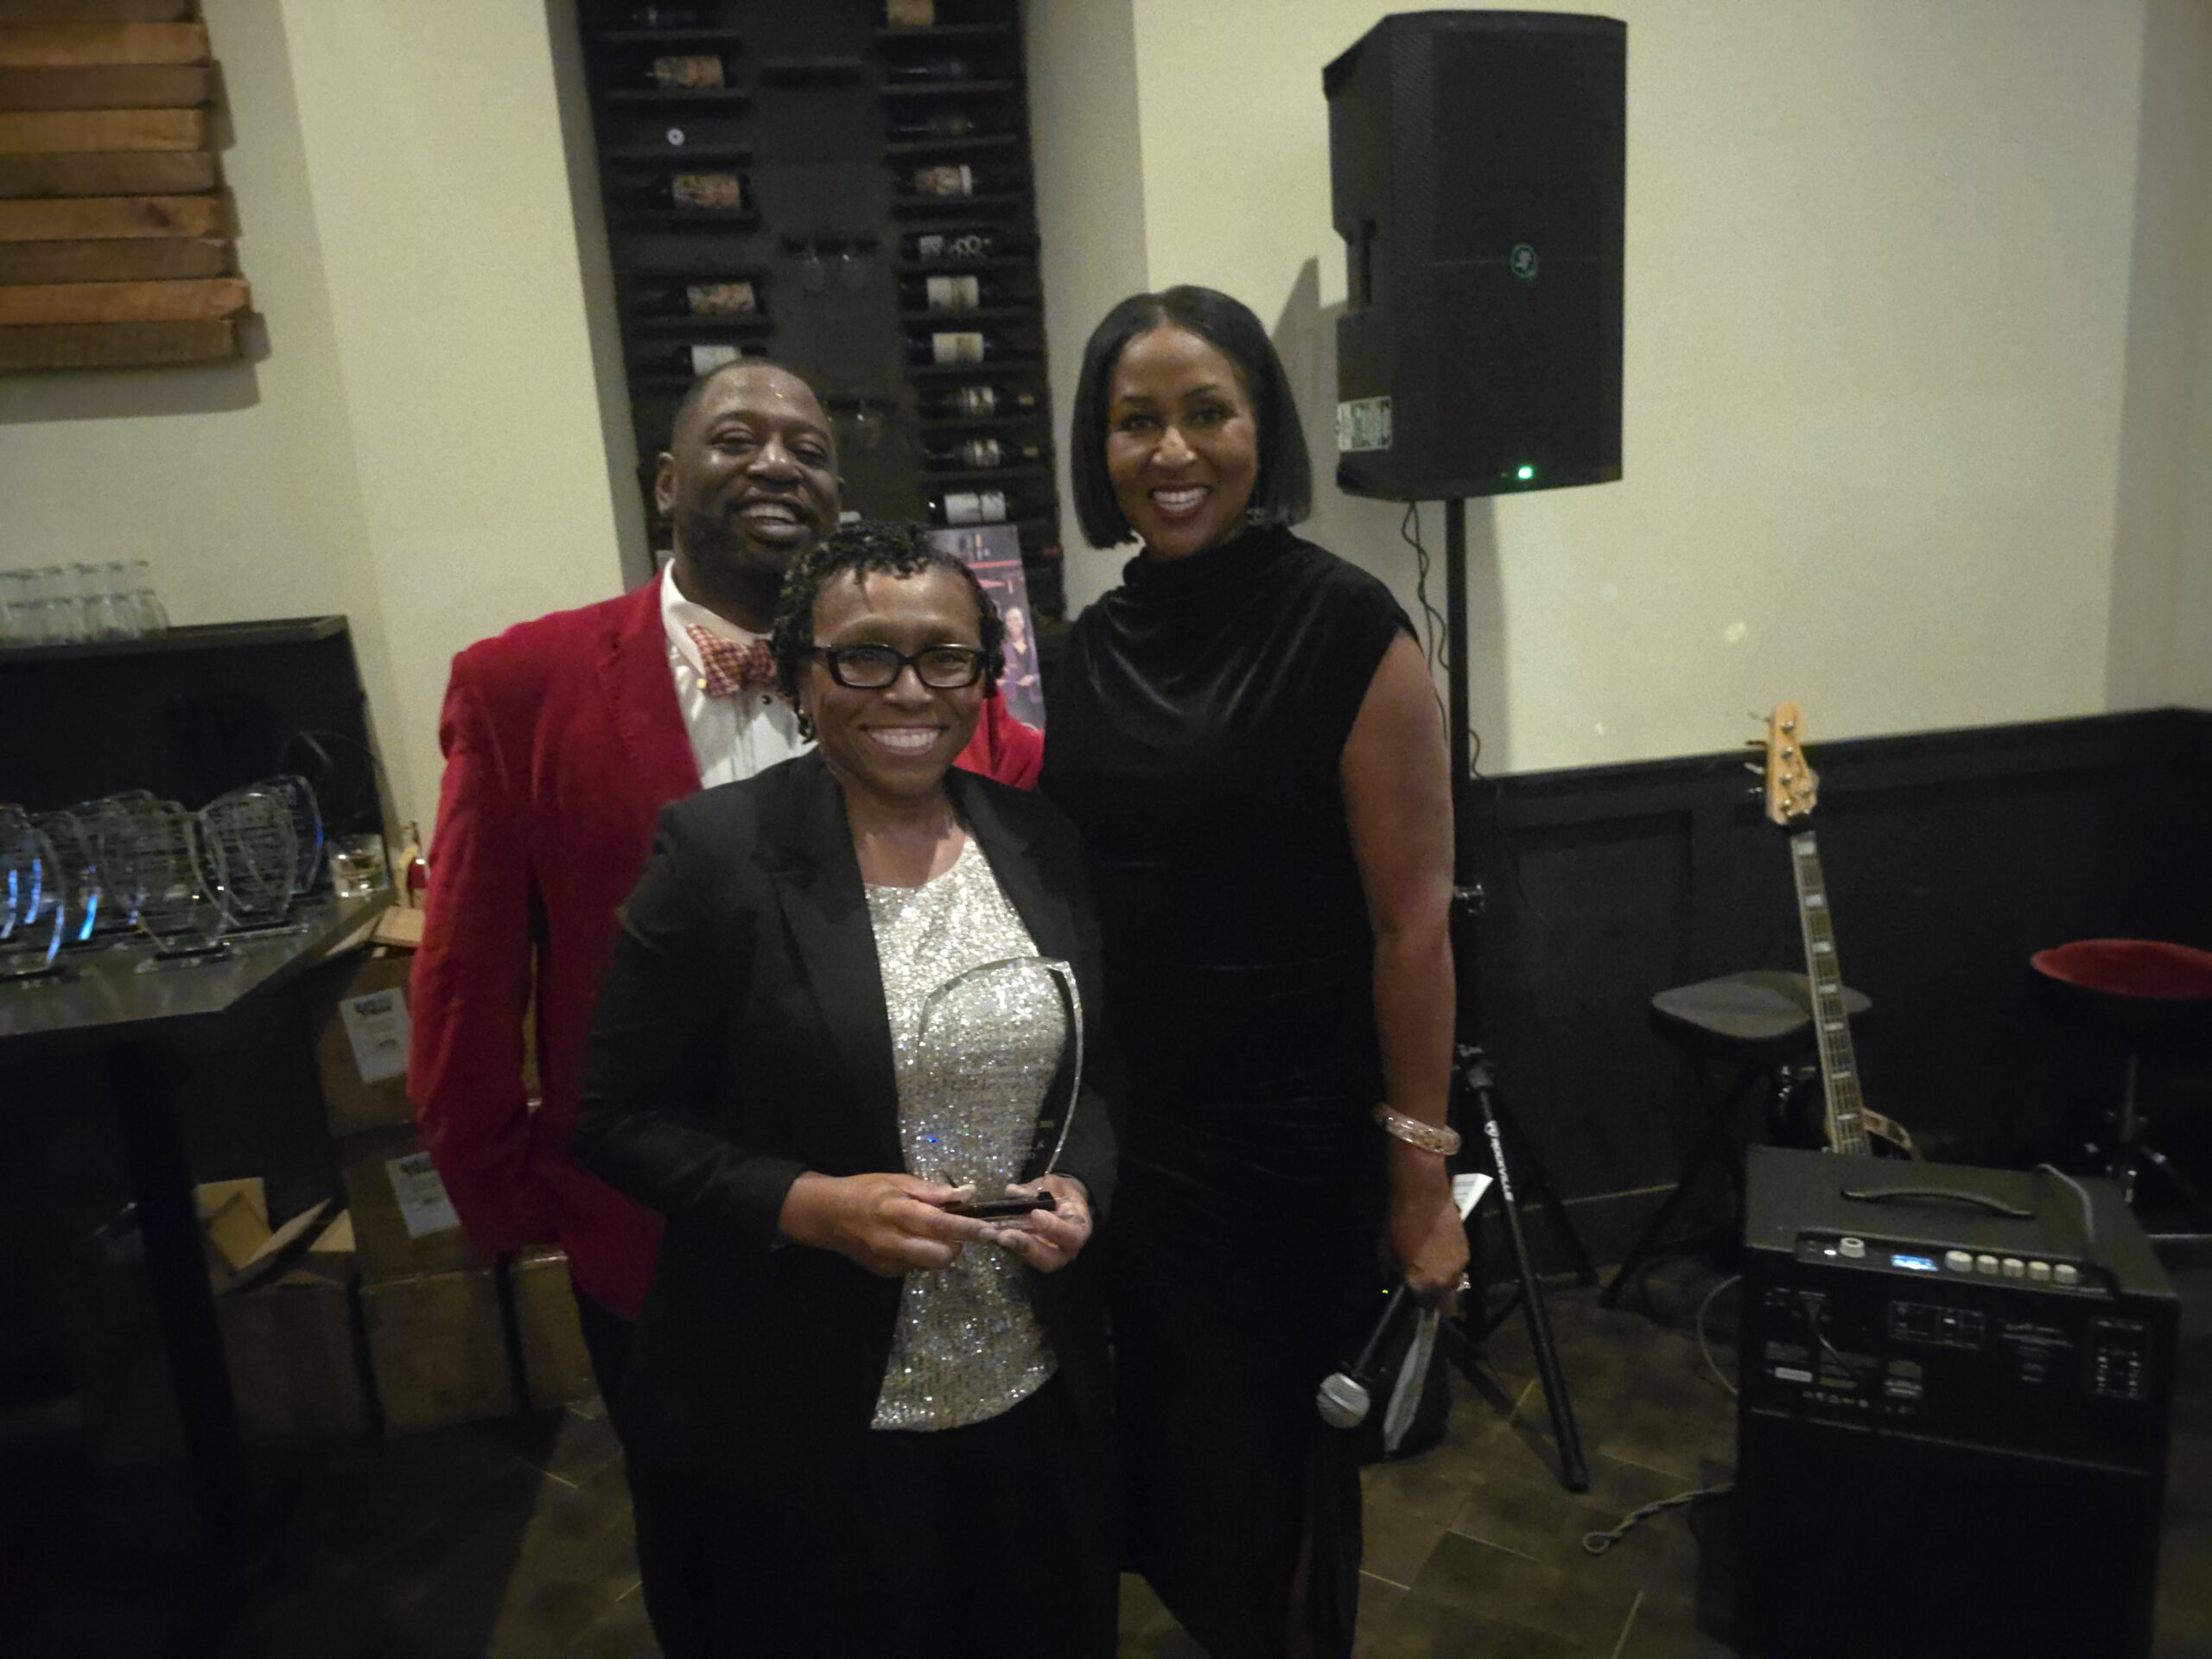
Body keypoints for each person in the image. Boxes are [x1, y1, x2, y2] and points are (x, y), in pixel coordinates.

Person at [407, 362, 1043, 1650]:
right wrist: (509, 1193)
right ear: (665, 482)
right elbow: (469, 972)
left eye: (808, 446)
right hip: (657, 1231)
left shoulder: (937, 698)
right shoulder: (522, 685)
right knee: (722, 1579)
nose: (776, 464)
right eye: (737, 438)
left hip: (915, 1233)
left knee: (925, 1569)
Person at [571, 519, 1119, 1656]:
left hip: (1028, 1387)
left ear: (986, 674)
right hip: (807, 1409)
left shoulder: (1042, 837)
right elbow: (616, 1119)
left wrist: (1083, 1186)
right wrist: (811, 1207)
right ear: (800, 677)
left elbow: (1097, 1074)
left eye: (945, 656)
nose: (908, 690)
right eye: (865, 655)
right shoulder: (717, 854)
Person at [1040, 287, 1470, 1658]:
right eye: (1135, 421)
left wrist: (1419, 1176)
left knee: (1276, 1483)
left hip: (1289, 1147)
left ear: (1261, 430)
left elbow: (1413, 928)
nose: (1172, 452)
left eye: (1206, 413)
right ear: (1099, 450)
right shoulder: (1085, 648)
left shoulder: (1348, 628)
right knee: (1166, 1465)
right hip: (1132, 1143)